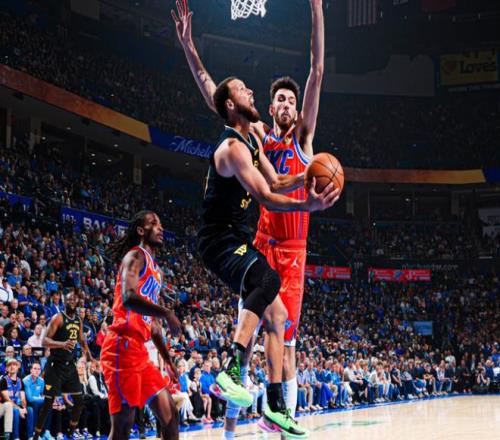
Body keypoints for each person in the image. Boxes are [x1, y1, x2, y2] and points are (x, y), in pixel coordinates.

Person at [173, 6, 336, 439]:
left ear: (297, 111)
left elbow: (318, 70)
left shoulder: (303, 141)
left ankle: (276, 414)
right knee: (249, 330)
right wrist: (190, 48)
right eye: (279, 99)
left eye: (291, 101)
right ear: (268, 106)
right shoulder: (254, 137)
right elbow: (214, 94)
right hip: (257, 240)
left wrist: (317, 11)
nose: (286, 104)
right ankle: (230, 426)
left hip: (293, 251)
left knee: (283, 333)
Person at [100, 210, 182, 440]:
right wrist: (167, 312)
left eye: (161, 224)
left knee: (170, 415)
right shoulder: (135, 256)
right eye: (154, 223)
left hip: (140, 352)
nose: (160, 227)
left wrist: (167, 360)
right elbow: (128, 297)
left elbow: (152, 325)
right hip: (121, 347)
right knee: (123, 428)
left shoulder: (157, 272)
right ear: (141, 230)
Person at [32, 291, 93, 440]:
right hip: (55, 365)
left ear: (78, 302)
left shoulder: (78, 320)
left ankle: (71, 432)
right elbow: (44, 341)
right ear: (65, 302)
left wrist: (90, 358)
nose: (72, 301)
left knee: (79, 400)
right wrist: (62, 344)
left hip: (70, 366)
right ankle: (36, 435)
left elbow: (82, 341)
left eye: (74, 299)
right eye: (69, 299)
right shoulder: (58, 318)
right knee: (48, 403)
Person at [0, 357, 33, 440]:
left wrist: (24, 408)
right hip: (7, 407)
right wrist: (19, 409)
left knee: (30, 410)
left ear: (18, 367)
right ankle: (16, 437)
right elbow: (7, 399)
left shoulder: (20, 381)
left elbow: (23, 398)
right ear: (6, 369)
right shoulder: (3, 380)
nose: (12, 367)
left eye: (14, 365)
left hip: (17, 405)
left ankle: (30, 436)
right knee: (15, 411)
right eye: (9, 365)